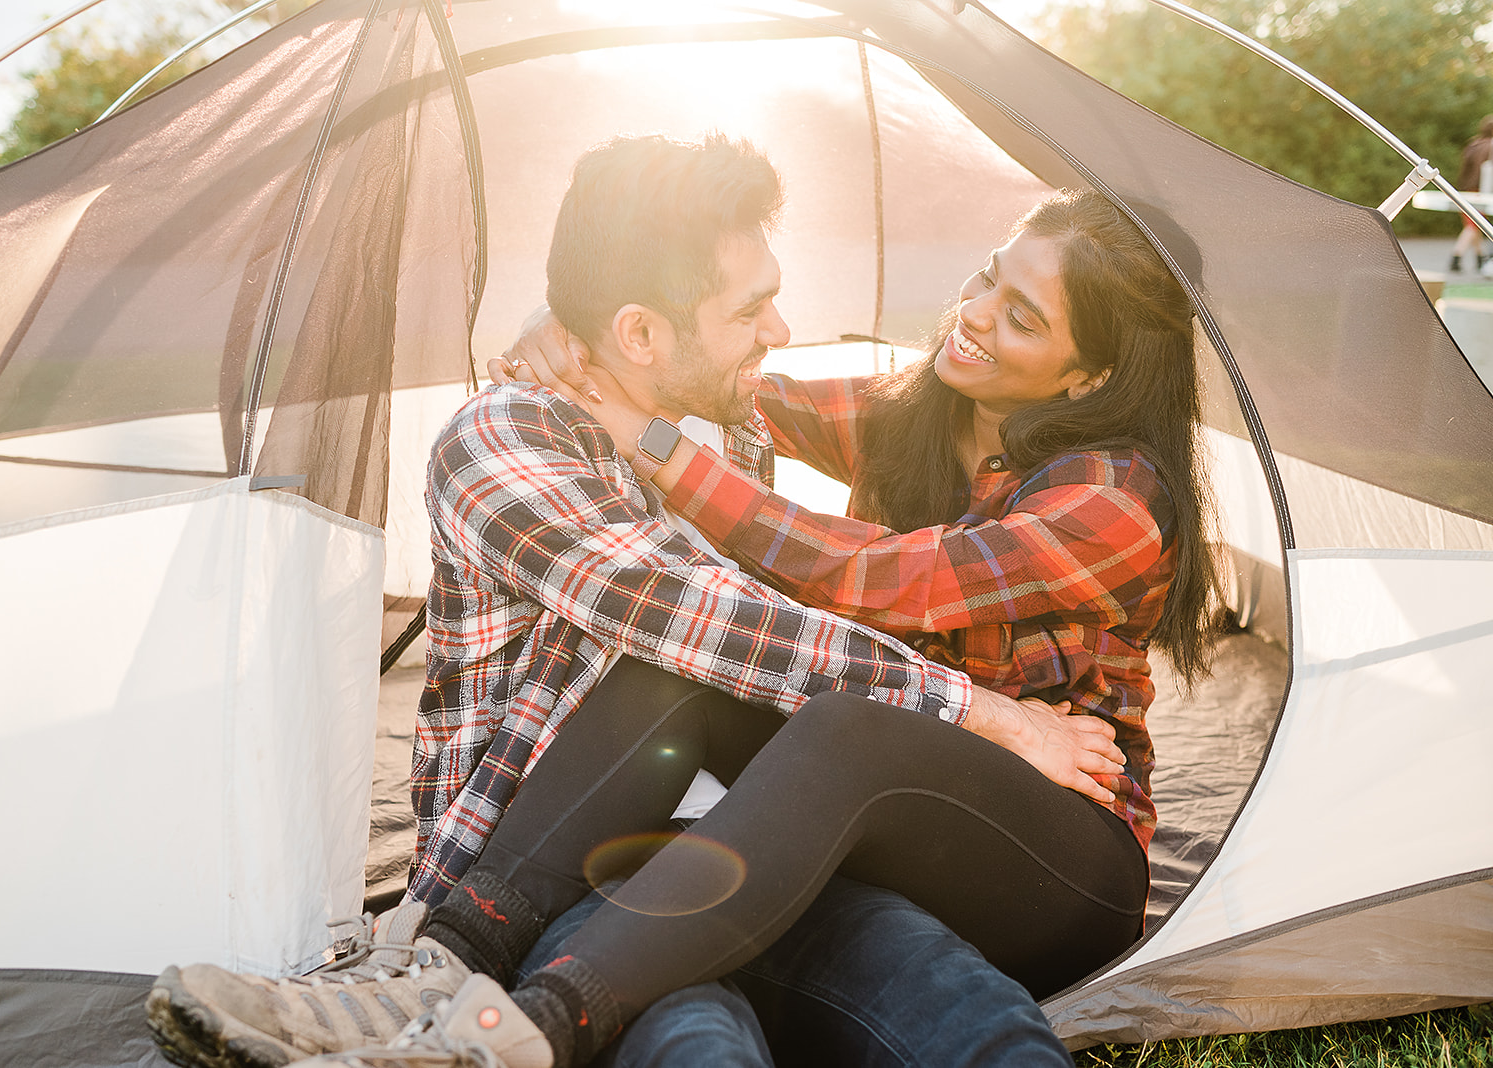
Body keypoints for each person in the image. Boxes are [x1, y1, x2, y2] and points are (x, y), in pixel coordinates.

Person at [146, 133, 1103, 1068]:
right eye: (753, 309)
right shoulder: (501, 442)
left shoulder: (734, 425)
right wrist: (987, 715)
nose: (779, 330)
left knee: (960, 1003)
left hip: (765, 838)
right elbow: (702, 620)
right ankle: (432, 987)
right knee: (695, 1038)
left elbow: (795, 635)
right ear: (640, 331)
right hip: (563, 864)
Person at [1450, 114, 1493, 274]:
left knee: (1474, 225)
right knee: (1473, 225)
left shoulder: (1473, 144)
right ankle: (1456, 256)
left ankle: (1480, 257)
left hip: (1466, 189)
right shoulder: (1491, 146)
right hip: (1481, 190)